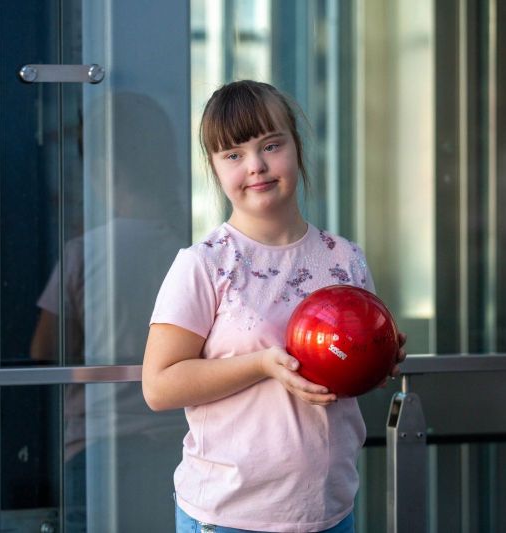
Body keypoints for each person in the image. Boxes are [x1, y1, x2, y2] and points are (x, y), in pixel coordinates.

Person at [142, 80, 407, 533]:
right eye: (233, 155)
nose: (256, 166)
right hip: (229, 518)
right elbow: (159, 386)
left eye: (271, 145)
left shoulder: (346, 258)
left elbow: (348, 368)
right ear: (214, 168)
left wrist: (378, 358)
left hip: (330, 512)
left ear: (296, 146)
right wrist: (262, 364)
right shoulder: (205, 263)